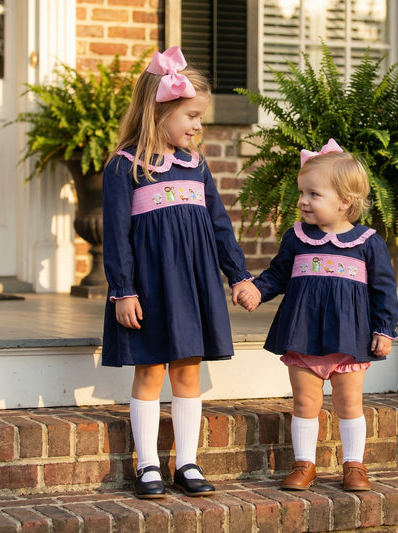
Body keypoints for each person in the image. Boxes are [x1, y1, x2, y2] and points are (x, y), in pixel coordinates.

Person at [102, 46, 260, 499]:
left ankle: (187, 462)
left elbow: (218, 226)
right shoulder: (125, 167)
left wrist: (239, 276)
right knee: (150, 371)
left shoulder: (197, 167)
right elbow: (116, 236)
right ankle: (148, 464)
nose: (197, 126)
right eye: (190, 115)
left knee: (187, 372)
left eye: (200, 117)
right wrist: (124, 291)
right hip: (149, 287)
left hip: (193, 285)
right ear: (160, 111)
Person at [237, 139, 398, 491]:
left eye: (313, 194)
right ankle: (304, 464)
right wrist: (256, 290)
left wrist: (384, 329)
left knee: (348, 402)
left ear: (345, 201)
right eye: (301, 193)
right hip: (303, 333)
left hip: (349, 338)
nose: (302, 202)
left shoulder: (367, 242)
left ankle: (354, 466)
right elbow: (277, 275)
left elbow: (383, 290)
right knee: (304, 401)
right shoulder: (296, 238)